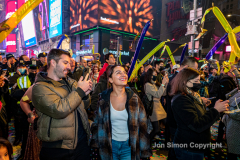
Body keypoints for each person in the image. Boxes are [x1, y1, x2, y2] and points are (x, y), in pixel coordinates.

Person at [32, 49, 92, 160]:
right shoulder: (40, 87)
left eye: (69, 63)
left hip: (81, 143)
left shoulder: (70, 82)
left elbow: (84, 105)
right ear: (53, 63)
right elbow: (59, 110)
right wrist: (79, 92)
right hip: (58, 147)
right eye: (65, 63)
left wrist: (85, 94)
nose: (69, 67)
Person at [91, 65, 152, 160]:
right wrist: (95, 144)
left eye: (124, 72)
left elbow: (143, 124)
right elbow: (97, 122)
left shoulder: (134, 98)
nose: (123, 75)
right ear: (110, 79)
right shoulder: (104, 99)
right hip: (109, 145)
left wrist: (144, 150)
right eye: (118, 73)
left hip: (129, 146)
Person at [169, 68, 229, 160]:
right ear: (185, 82)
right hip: (188, 147)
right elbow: (197, 125)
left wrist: (200, 103)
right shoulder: (181, 100)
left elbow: (197, 114)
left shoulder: (192, 95)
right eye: (196, 81)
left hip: (194, 145)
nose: (199, 83)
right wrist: (216, 110)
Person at [165, 57, 198, 160]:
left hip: (178, 120)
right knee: (176, 150)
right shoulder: (175, 79)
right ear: (187, 67)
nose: (196, 72)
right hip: (176, 120)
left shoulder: (178, 78)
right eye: (195, 69)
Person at [144, 68, 169, 141]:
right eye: (154, 75)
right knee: (156, 129)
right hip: (154, 109)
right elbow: (157, 95)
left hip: (159, 107)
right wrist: (163, 84)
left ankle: (167, 143)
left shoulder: (155, 83)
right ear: (149, 75)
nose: (155, 76)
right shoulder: (147, 85)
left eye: (156, 74)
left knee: (167, 125)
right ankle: (146, 143)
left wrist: (166, 84)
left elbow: (163, 93)